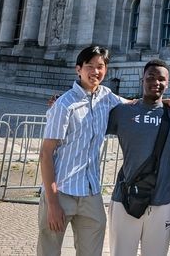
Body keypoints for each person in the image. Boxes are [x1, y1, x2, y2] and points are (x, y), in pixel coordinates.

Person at [37, 45, 124, 256]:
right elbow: (46, 154)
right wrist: (53, 203)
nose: (95, 71)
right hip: (62, 191)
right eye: (90, 66)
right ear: (78, 69)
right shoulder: (64, 104)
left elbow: (134, 105)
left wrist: (167, 103)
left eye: (100, 66)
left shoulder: (107, 96)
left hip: (91, 192)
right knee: (49, 251)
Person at [107, 59, 170, 256]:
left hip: (162, 200)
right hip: (125, 198)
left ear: (168, 84)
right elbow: (89, 123)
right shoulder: (122, 112)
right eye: (151, 77)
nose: (156, 82)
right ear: (142, 79)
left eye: (162, 79)